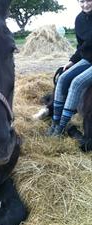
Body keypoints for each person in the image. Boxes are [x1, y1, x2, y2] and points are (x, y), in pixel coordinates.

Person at [46, 0, 92, 136]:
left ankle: (61, 127)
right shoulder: (79, 19)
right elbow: (81, 46)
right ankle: (54, 123)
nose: (85, 5)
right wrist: (72, 61)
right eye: (81, 1)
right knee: (63, 78)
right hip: (87, 59)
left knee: (77, 82)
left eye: (88, 0)